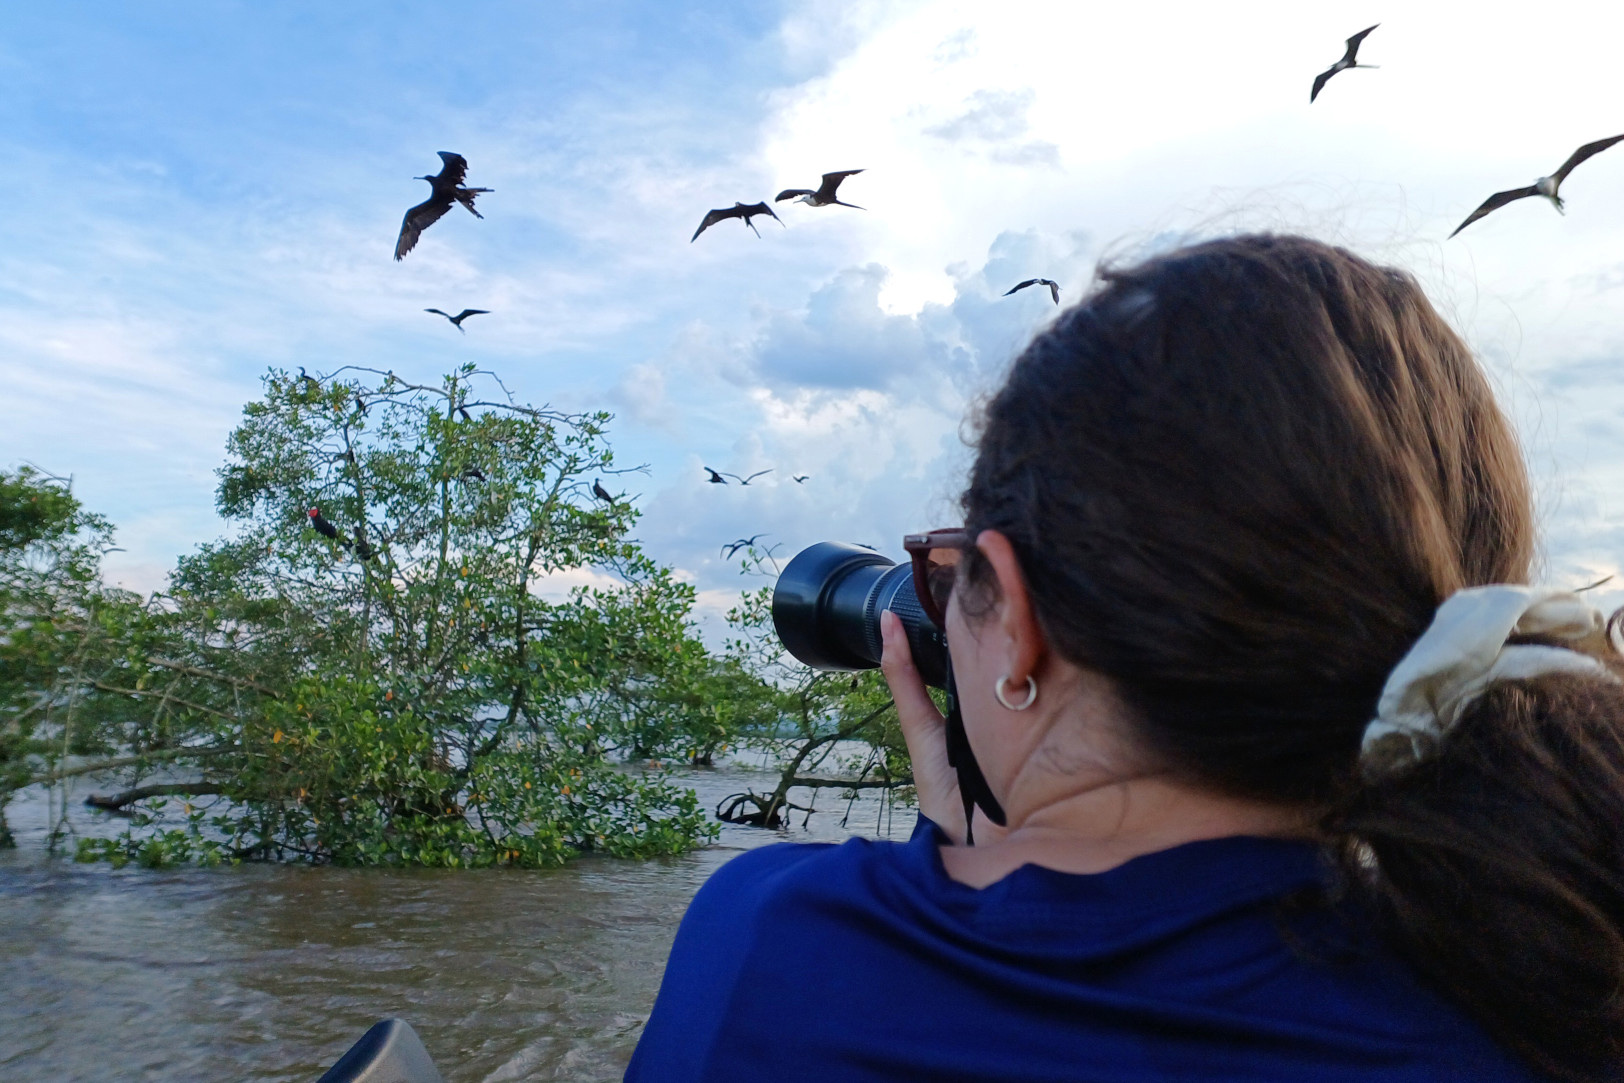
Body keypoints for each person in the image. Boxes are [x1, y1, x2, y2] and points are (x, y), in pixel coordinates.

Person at [625, 234, 1624, 1082]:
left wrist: (967, 878)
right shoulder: (1556, 977)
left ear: (1012, 617)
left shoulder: (774, 948)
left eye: (942, 582)